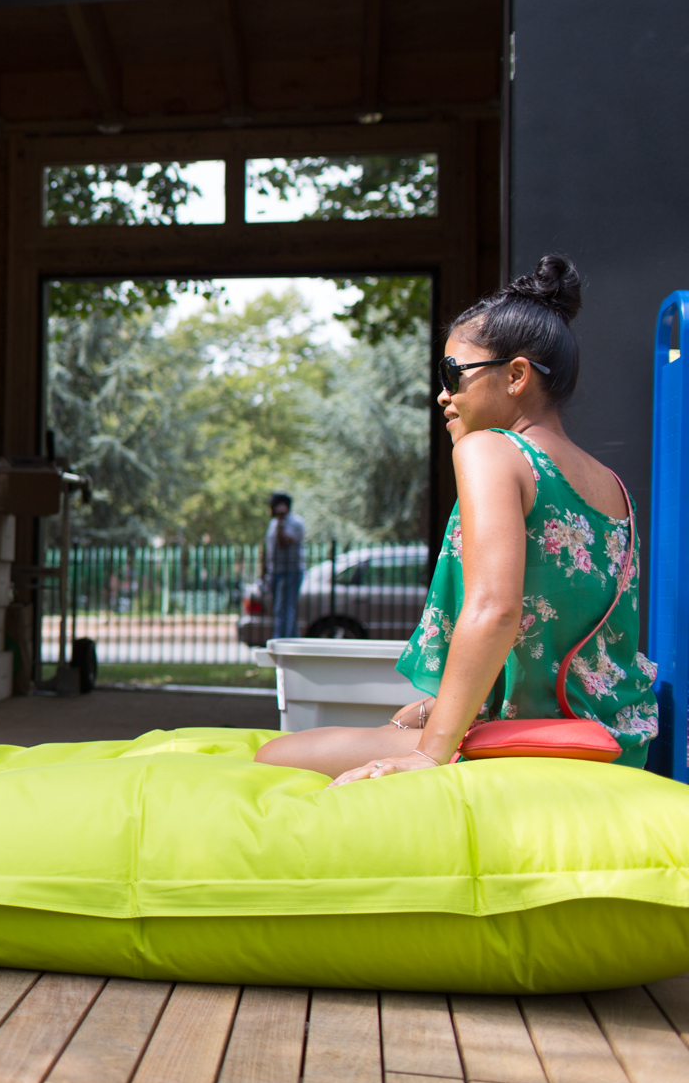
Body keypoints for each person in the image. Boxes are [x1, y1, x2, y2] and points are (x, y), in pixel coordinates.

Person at [257, 255, 657, 784]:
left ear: (516, 376)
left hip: (532, 742)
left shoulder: (490, 451)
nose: (444, 394)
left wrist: (429, 754)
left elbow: (494, 609)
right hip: (613, 740)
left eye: (453, 373)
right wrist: (435, 709)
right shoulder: (613, 485)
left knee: (272, 760)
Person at [263, 492, 306, 640]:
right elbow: (268, 549)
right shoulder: (273, 522)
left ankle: (279, 644)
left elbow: (283, 543)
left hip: (290, 572)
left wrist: (281, 521)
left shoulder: (295, 522)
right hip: (275, 571)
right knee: (284, 611)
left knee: (284, 610)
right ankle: (293, 644)